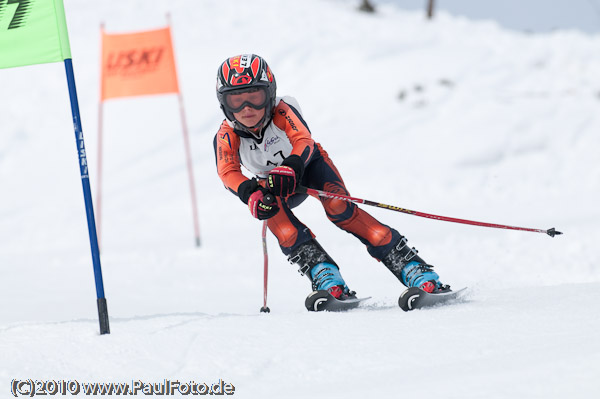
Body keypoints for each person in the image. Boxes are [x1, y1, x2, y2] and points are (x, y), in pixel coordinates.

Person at [213, 54, 449, 300]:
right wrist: (250, 194)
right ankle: (326, 277)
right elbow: (227, 171)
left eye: (254, 97)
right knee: (280, 223)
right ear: (224, 104)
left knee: (340, 208)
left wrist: (292, 167)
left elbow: (302, 140)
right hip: (272, 184)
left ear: (269, 93)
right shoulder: (226, 134)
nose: (246, 108)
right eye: (236, 100)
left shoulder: (283, 109)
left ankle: (414, 269)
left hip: (308, 166)